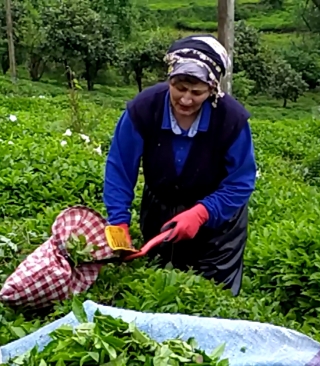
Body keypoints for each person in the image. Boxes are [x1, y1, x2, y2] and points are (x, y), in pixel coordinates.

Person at [103, 34, 257, 296]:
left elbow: (241, 181)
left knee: (212, 294)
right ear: (170, 81)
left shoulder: (231, 119)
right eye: (179, 88)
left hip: (218, 219)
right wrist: (119, 221)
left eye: (197, 92)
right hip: (160, 207)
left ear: (212, 90)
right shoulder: (143, 109)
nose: (186, 99)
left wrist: (201, 213)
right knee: (158, 287)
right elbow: (120, 167)